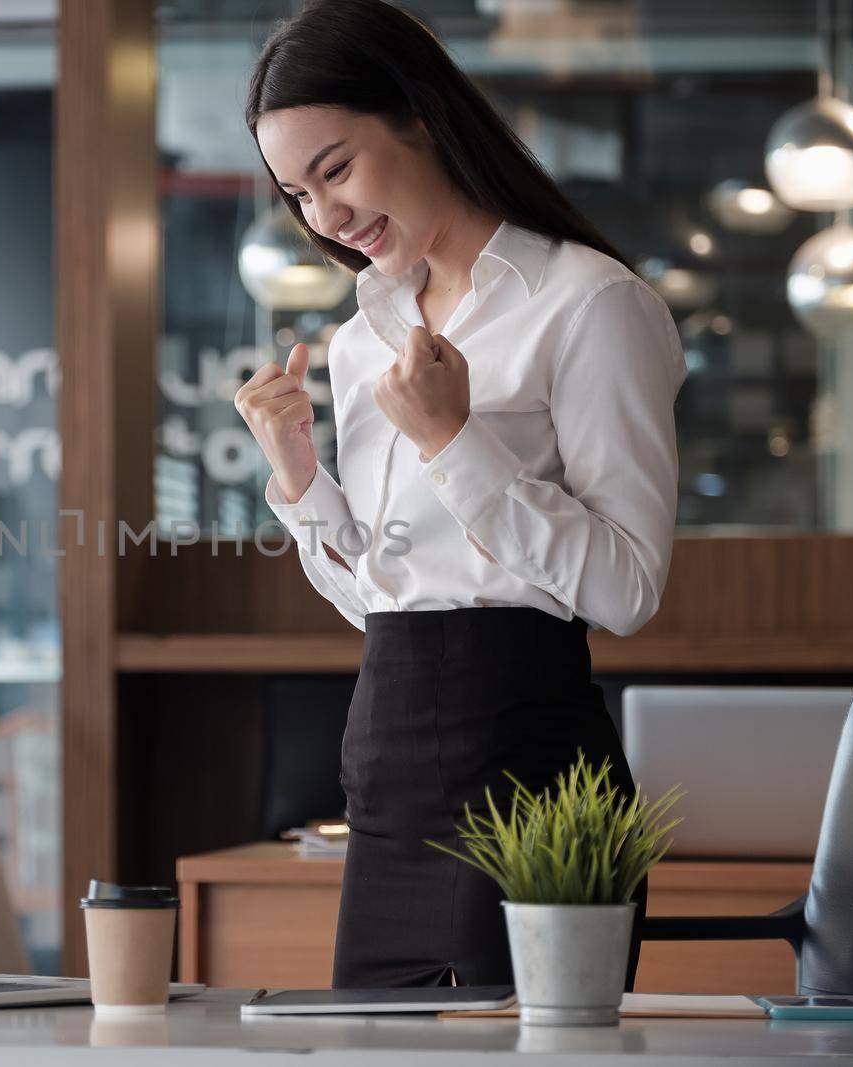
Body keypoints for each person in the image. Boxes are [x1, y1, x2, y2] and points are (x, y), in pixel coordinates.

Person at [234, 0, 687, 989]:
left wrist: (453, 438)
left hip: (530, 773)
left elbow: (627, 588)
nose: (325, 218)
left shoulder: (590, 303)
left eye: (336, 169)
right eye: (297, 194)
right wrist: (298, 478)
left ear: (422, 116)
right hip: (386, 763)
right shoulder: (361, 344)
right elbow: (385, 600)